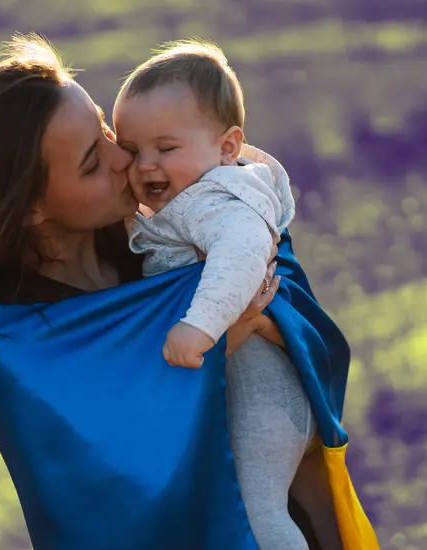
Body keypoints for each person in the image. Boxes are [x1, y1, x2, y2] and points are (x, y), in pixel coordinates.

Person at [0, 34, 378, 550]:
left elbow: (276, 272)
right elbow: (106, 469)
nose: (124, 160)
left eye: (107, 131)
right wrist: (227, 337)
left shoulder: (156, 232)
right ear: (31, 208)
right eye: (93, 161)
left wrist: (265, 320)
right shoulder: (12, 337)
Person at [112, 39, 340, 550]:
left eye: (165, 149)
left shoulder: (219, 200)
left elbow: (239, 259)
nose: (146, 166)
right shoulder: (193, 193)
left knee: (257, 511)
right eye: (132, 151)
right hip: (266, 387)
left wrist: (201, 326)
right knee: (314, 515)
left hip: (263, 390)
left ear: (228, 147)